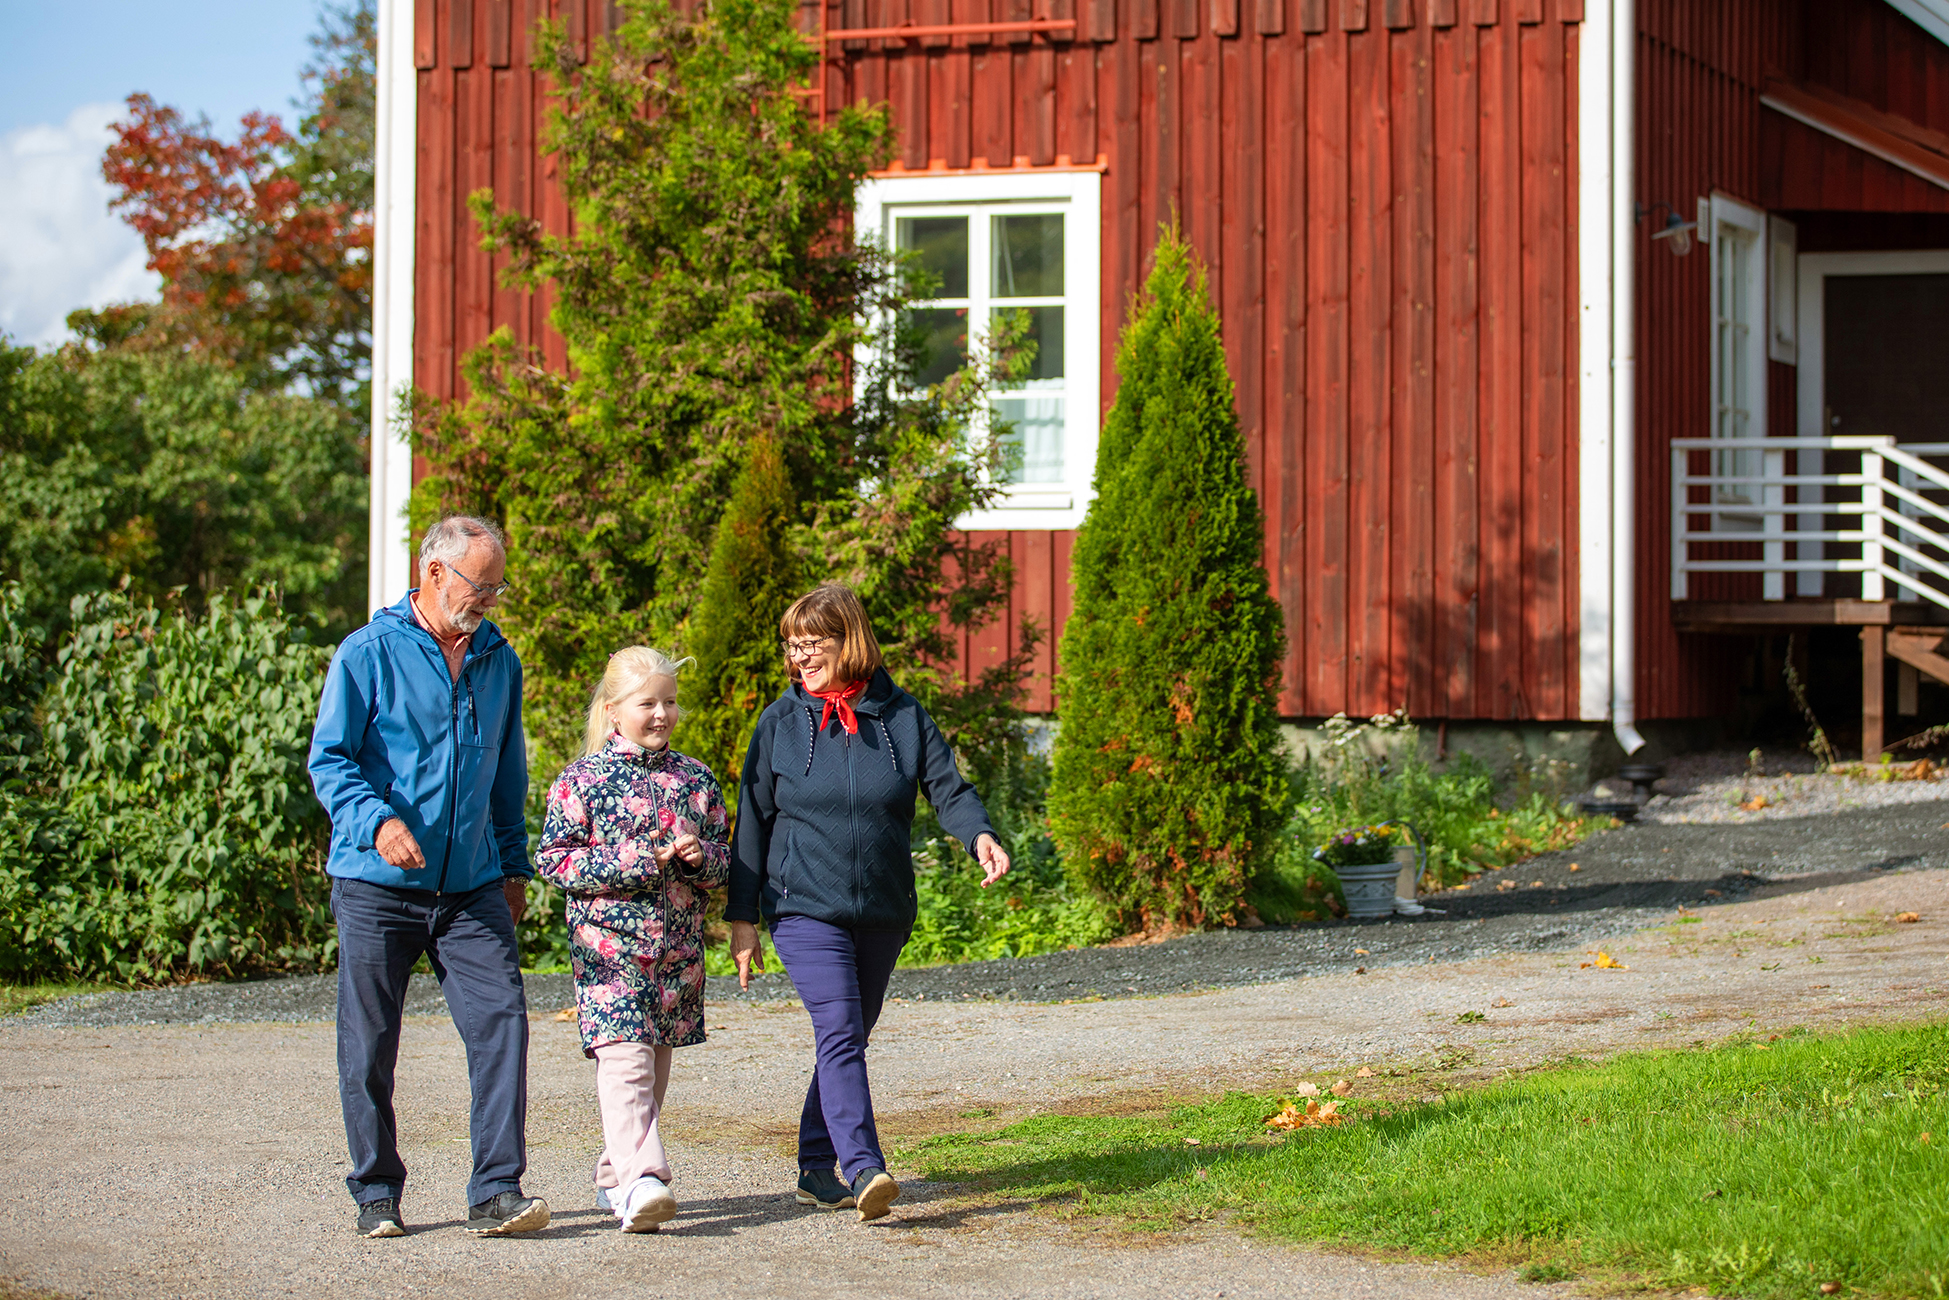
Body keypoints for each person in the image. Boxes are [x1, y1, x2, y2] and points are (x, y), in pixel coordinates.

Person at [725, 583, 1011, 1223]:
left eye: (811, 644)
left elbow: (949, 789)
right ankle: (863, 1167)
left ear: (848, 640)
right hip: (803, 907)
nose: (798, 658)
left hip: (883, 910)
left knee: (845, 1037)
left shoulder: (904, 717)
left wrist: (981, 835)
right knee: (840, 1029)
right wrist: (743, 919)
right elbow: (751, 823)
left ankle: (814, 1161)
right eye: (791, 647)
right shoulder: (779, 722)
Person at [307, 515, 549, 1239]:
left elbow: (508, 777)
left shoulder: (498, 659)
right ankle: (376, 1190)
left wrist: (513, 868)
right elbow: (331, 760)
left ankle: (496, 1189)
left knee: (502, 1023)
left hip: (471, 885)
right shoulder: (368, 652)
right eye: (482, 586)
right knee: (370, 1040)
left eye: (498, 588)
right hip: (376, 885)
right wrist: (377, 822)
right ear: (436, 573)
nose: (490, 601)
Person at [536, 647, 730, 1233]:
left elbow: (728, 864)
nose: (661, 714)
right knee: (625, 1065)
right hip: (609, 954)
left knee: (652, 1072)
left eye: (669, 702)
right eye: (647, 703)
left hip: (676, 957)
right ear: (614, 709)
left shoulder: (695, 779)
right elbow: (555, 861)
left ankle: (614, 1180)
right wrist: (637, 860)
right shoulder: (583, 780)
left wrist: (702, 860)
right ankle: (645, 1178)